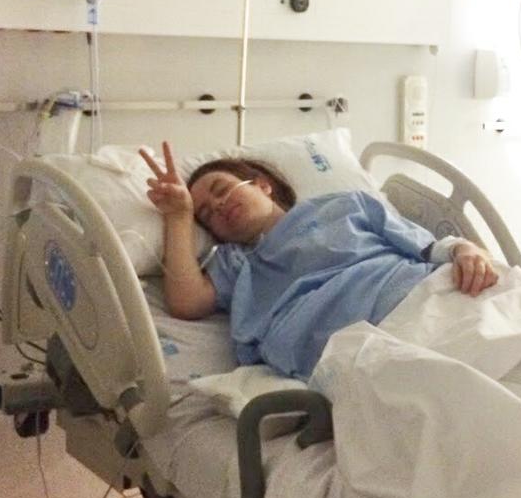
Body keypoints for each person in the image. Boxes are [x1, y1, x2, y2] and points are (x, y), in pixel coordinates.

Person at [139, 141, 498, 381]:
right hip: (356, 352)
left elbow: (431, 249)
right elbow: (186, 301)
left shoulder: (347, 205)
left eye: (222, 190)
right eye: (206, 214)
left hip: (425, 302)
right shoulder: (236, 264)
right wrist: (179, 215)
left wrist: (467, 251)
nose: (218, 206)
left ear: (262, 184)